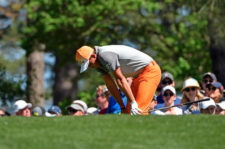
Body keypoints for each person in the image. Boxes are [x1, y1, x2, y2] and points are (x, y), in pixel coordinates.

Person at [75, 45, 161, 115]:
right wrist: (122, 107)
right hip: (136, 77)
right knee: (127, 113)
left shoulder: (105, 55)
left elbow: (120, 79)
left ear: (93, 56)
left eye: (89, 64)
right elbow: (110, 85)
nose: (90, 67)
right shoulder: (97, 64)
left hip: (150, 71)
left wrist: (133, 103)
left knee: (138, 111)